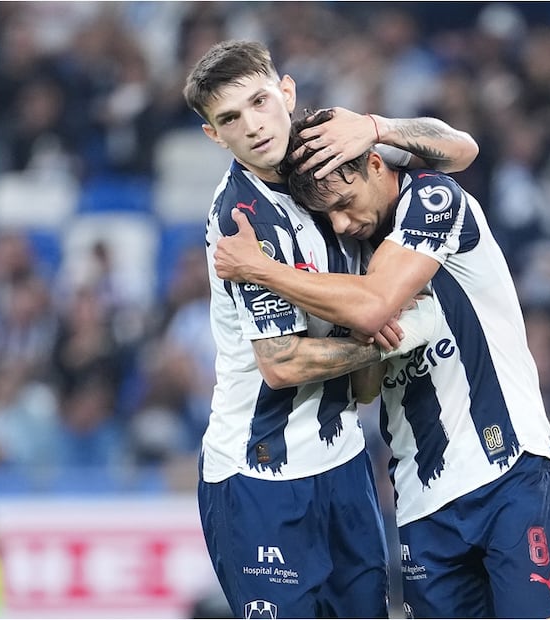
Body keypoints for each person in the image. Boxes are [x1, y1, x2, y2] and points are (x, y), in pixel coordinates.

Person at [213, 109, 550, 619]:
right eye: (328, 216)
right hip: (421, 495)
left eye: (344, 204)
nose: (341, 223)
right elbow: (367, 388)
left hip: (504, 465)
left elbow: (462, 148)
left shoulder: (432, 198)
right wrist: (379, 341)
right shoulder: (352, 257)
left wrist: (262, 269)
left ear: (374, 165)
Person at [182, 39, 479, 619]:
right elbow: (282, 364)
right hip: (260, 474)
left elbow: (460, 150)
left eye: (259, 102)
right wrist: (390, 336)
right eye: (230, 119)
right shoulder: (242, 218)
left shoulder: (330, 149)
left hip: (342, 464)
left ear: (286, 93)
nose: (253, 126)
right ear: (215, 136)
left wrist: (379, 127)